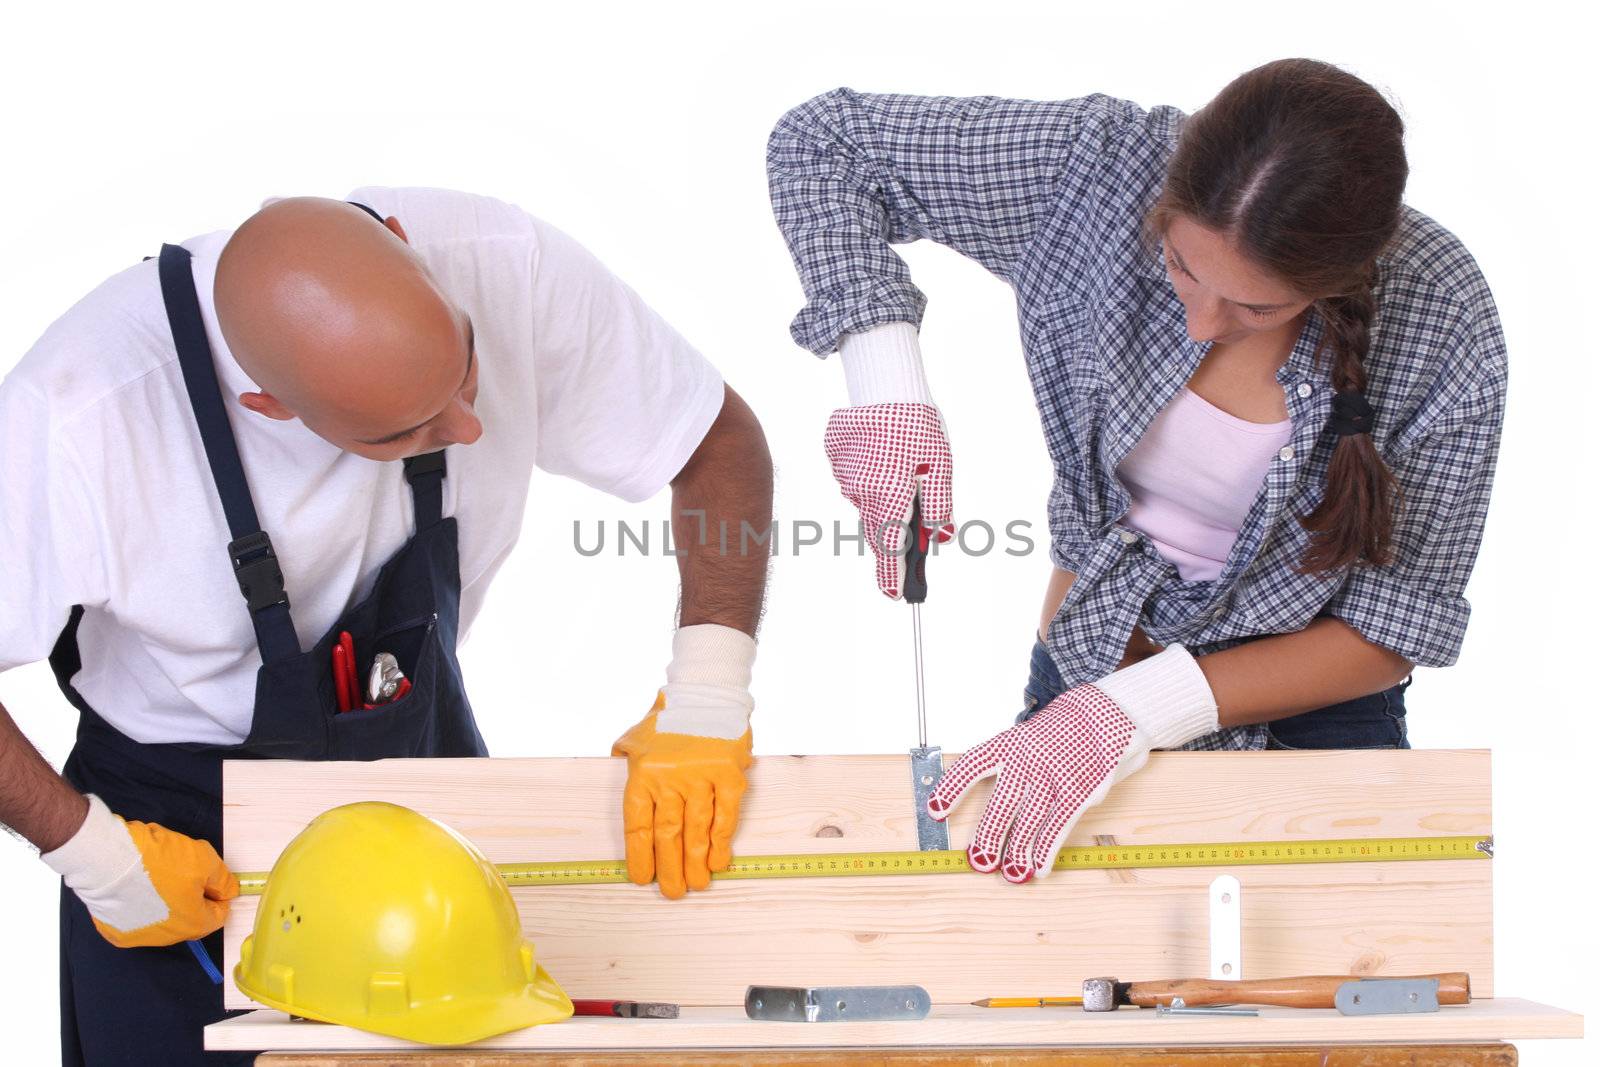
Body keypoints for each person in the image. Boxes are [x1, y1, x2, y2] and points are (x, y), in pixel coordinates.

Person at [0, 189, 772, 1065]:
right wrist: (92, 851)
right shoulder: (76, 414)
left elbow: (713, 443)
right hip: (178, 838)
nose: (469, 427)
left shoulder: (505, 261)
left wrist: (708, 694)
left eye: (466, 368)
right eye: (408, 430)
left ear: (402, 242)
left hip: (422, 787)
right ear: (270, 407)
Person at [767, 60, 1504, 884]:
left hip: (1308, 719)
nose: (1201, 322)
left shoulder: (1443, 313)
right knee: (1052, 988)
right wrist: (885, 380)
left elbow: (1395, 627)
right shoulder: (1094, 171)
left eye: (1257, 308)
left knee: (1332, 986)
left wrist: (1139, 711)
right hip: (1085, 678)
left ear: (1339, 280)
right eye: (1182, 266)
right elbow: (823, 143)